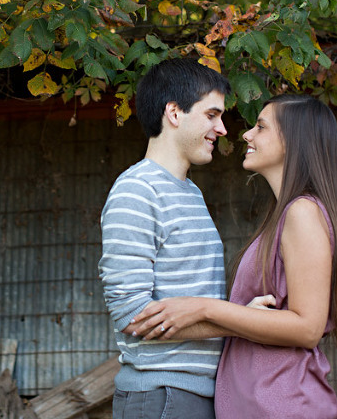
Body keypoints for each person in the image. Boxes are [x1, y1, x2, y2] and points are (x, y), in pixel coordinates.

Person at [126, 94, 337, 419]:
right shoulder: (285, 215)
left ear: (293, 141)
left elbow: (307, 328)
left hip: (284, 406)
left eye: (260, 127)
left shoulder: (303, 212)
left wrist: (203, 308)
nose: (246, 134)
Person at [98, 58, 232, 419]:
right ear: (174, 112)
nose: (221, 128)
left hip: (193, 393)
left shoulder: (189, 193)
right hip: (163, 396)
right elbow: (132, 315)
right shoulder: (137, 190)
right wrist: (239, 321)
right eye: (211, 115)